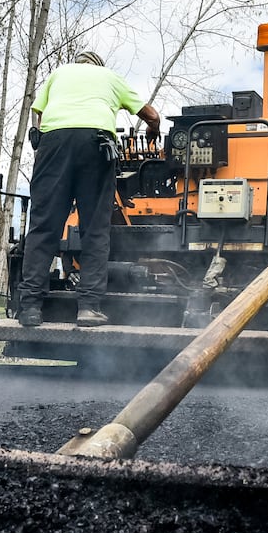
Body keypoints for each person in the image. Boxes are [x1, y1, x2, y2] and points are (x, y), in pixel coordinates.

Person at [17, 49, 160, 328]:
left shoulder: (58, 75)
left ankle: (31, 308)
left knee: (44, 226)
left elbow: (38, 112)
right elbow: (152, 115)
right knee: (95, 229)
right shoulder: (109, 77)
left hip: (53, 144)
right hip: (95, 145)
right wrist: (152, 132)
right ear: (98, 66)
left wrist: (42, 144)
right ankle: (88, 309)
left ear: (77, 64)